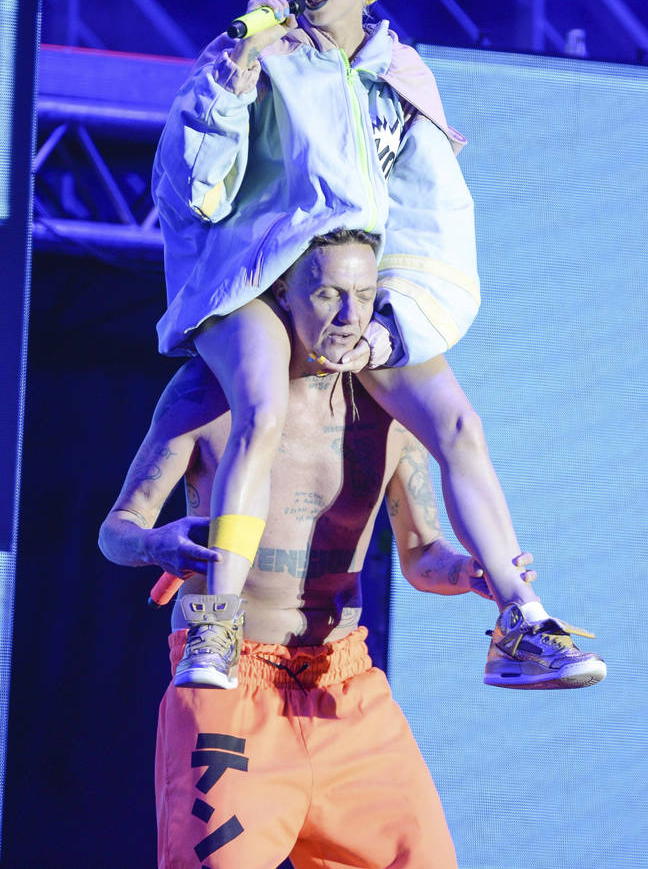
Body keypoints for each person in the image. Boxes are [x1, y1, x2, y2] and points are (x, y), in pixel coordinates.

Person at [152, 0, 605, 690]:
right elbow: (197, 194)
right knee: (261, 405)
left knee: (458, 423)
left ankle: (521, 622)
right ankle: (215, 628)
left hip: (355, 289)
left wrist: (393, 327)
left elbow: (432, 216)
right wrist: (227, 83)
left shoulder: (399, 74)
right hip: (261, 281)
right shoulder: (262, 57)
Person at [100, 231, 573, 869]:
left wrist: (466, 572)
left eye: (364, 295)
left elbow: (421, 553)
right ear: (283, 293)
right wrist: (154, 543)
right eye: (328, 295)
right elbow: (117, 530)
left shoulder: (388, 407)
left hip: (343, 686)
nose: (350, 317)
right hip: (231, 682)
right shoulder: (208, 394)